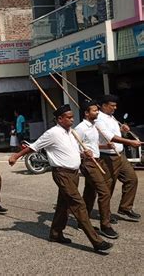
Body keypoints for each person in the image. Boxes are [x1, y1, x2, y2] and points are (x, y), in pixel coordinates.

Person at [9, 104, 113, 254]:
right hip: (62, 174)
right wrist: (16, 156)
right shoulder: (52, 133)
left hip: (74, 173)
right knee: (78, 205)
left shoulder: (71, 132)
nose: (72, 120)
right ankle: (97, 241)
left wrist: (85, 154)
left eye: (72, 117)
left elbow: (73, 150)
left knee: (63, 205)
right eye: (69, 118)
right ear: (60, 119)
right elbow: (34, 147)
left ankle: (56, 233)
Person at [75, 100, 118, 239]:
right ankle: (105, 225)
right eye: (94, 110)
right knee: (104, 192)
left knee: (90, 192)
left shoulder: (94, 126)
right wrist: (82, 154)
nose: (97, 112)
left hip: (97, 160)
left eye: (97, 110)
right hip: (89, 163)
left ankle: (83, 221)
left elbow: (92, 145)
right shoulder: (81, 128)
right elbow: (74, 147)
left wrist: (106, 147)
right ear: (87, 113)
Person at [95, 94, 141, 221]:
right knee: (108, 187)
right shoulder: (99, 118)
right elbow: (110, 137)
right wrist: (129, 142)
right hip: (107, 156)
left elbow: (116, 133)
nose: (114, 108)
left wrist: (123, 130)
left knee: (131, 179)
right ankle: (105, 214)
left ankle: (125, 207)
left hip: (120, 155)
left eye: (115, 106)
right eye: (112, 106)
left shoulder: (112, 117)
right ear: (104, 106)